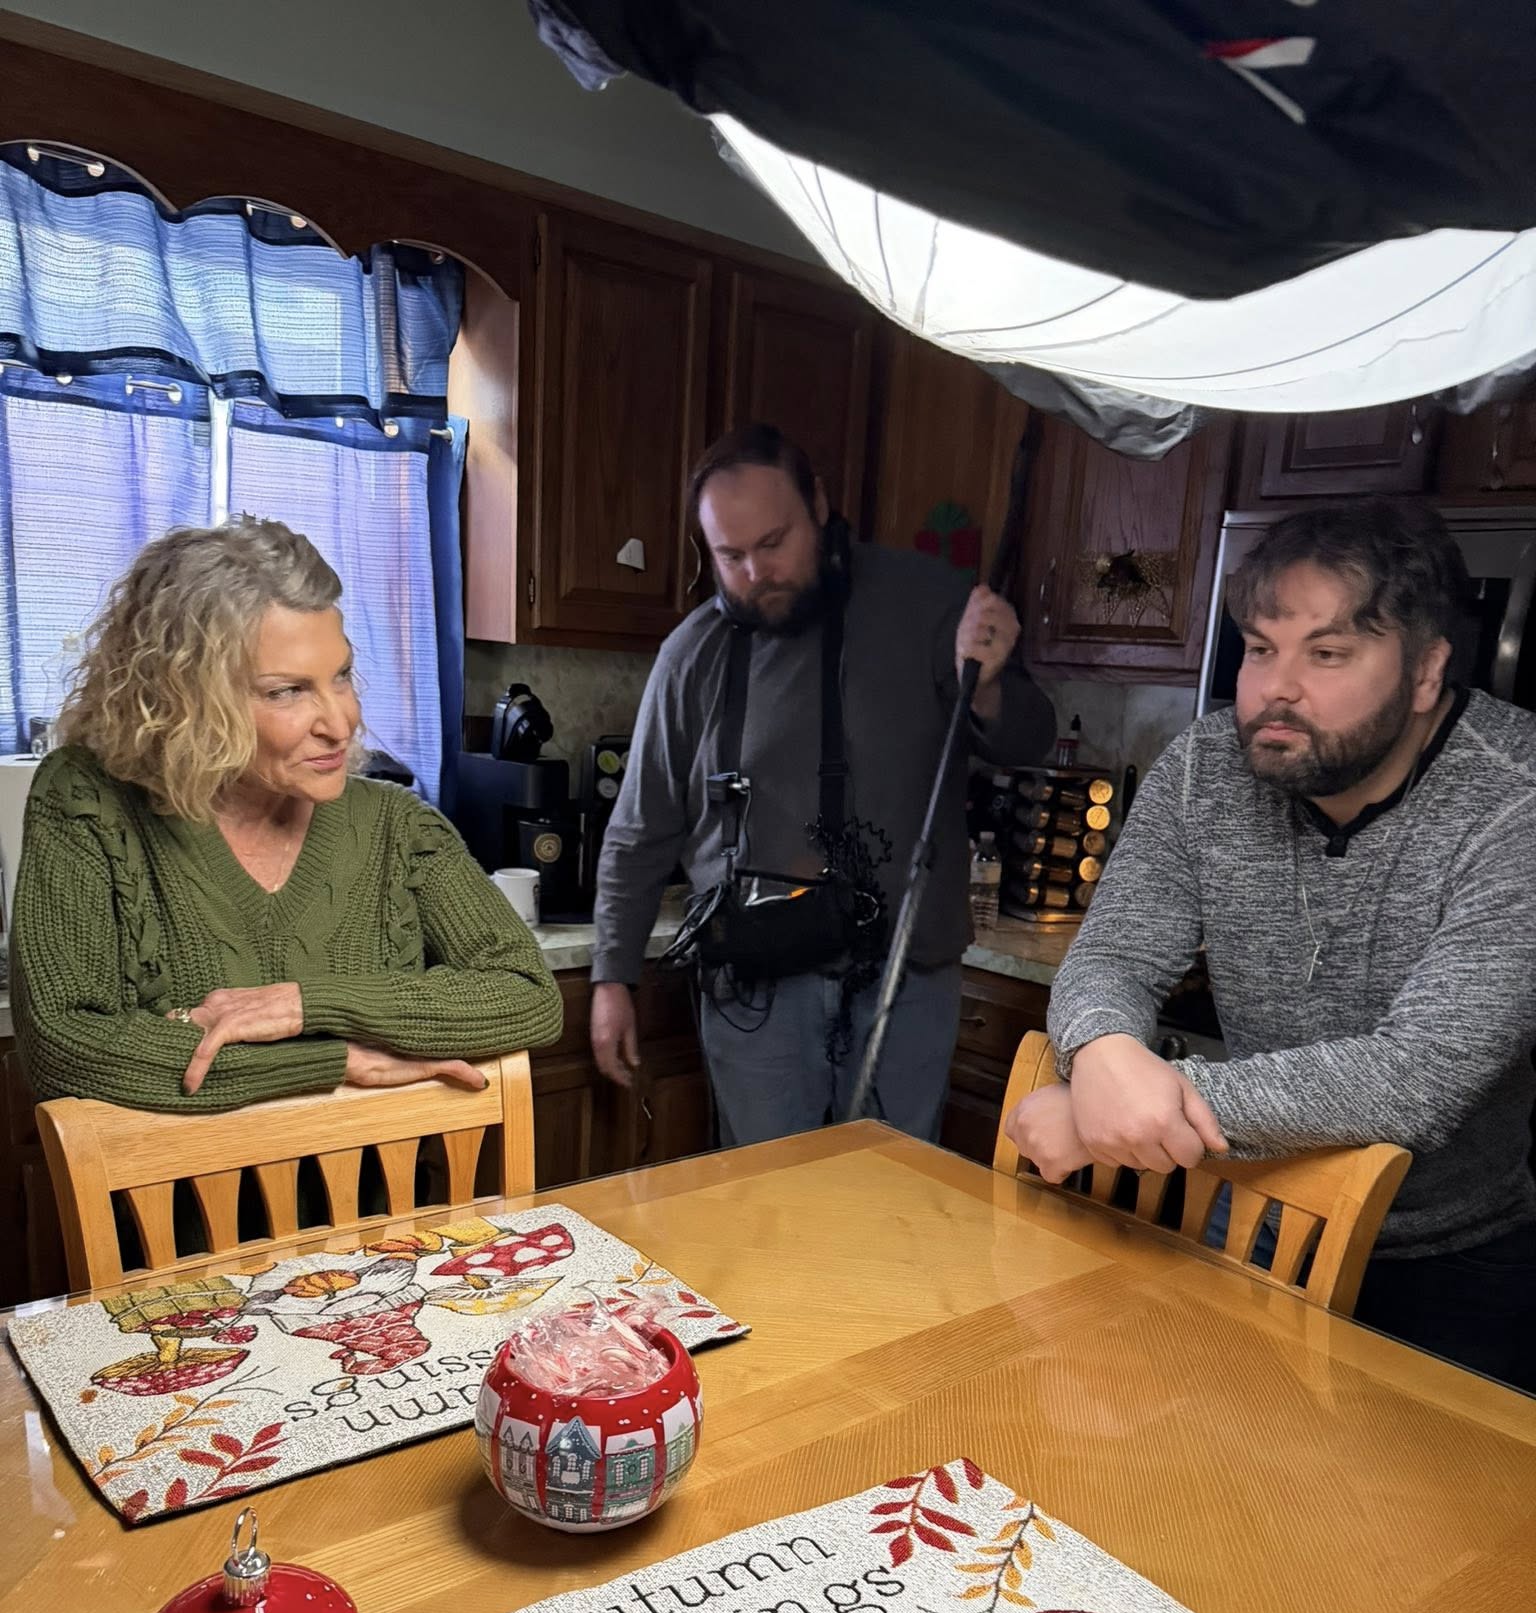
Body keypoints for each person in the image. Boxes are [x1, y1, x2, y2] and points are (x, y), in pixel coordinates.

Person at [1009, 497, 1536, 1394]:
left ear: (1426, 671)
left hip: (1451, 1264)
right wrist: (1099, 1051)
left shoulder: (1514, 798)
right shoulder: (1204, 767)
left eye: (1326, 654)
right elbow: (1113, 959)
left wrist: (1119, 1116)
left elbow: (1415, 1078)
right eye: (1260, 649)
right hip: (1245, 1210)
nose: (1273, 691)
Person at [589, 422, 1054, 1144]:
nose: (755, 572)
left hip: (905, 971)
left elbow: (1028, 740)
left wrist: (989, 683)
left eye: (774, 543)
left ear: (819, 503)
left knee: (894, 1193)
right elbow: (639, 830)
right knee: (769, 1195)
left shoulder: (933, 605)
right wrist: (612, 979)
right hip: (757, 987)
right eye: (731, 556)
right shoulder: (691, 656)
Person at [13, 517, 562, 1114]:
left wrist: (302, 1005)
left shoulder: (398, 826)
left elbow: (529, 996)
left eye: (341, 676)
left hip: (391, 1179)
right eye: (287, 691)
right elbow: (64, 1046)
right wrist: (334, 1062)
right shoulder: (87, 801)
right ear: (186, 698)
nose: (341, 722)